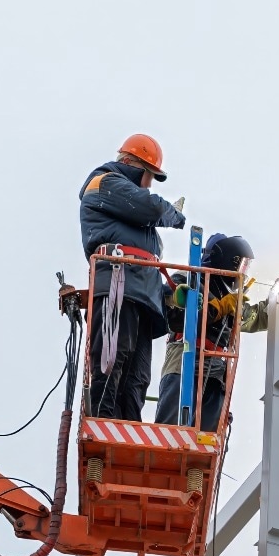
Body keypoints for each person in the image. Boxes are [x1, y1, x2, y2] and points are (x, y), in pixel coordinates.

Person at [79, 133, 187, 420]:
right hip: (119, 282)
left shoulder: (137, 223)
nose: (149, 183)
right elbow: (151, 207)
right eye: (148, 175)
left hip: (141, 292)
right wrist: (173, 214)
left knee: (137, 373)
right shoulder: (104, 182)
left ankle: (127, 424)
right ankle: (103, 421)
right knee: (113, 358)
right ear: (131, 163)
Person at [156, 233, 263, 432]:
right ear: (227, 261)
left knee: (207, 430)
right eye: (241, 266)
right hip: (184, 354)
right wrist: (216, 308)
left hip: (214, 365)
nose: (243, 273)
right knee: (170, 426)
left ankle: (197, 456)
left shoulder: (230, 301)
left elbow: (254, 317)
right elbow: (176, 316)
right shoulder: (188, 280)